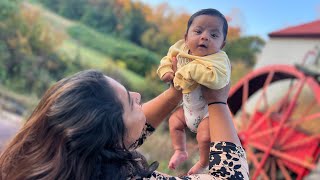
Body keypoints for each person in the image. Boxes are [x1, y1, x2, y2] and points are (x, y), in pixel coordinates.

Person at [0, 69, 248, 179]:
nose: (138, 95)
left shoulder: (56, 159)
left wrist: (175, 93)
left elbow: (127, 132)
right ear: (108, 136)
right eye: (131, 102)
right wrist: (218, 102)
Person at [157, 8, 231, 174]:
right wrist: (167, 72)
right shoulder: (180, 50)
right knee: (174, 122)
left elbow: (218, 79)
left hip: (206, 112)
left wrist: (189, 71)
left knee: (204, 137)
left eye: (214, 35)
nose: (204, 37)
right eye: (198, 31)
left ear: (222, 45)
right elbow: (167, 60)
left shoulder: (218, 60)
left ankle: (203, 163)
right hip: (188, 108)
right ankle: (180, 150)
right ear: (186, 36)